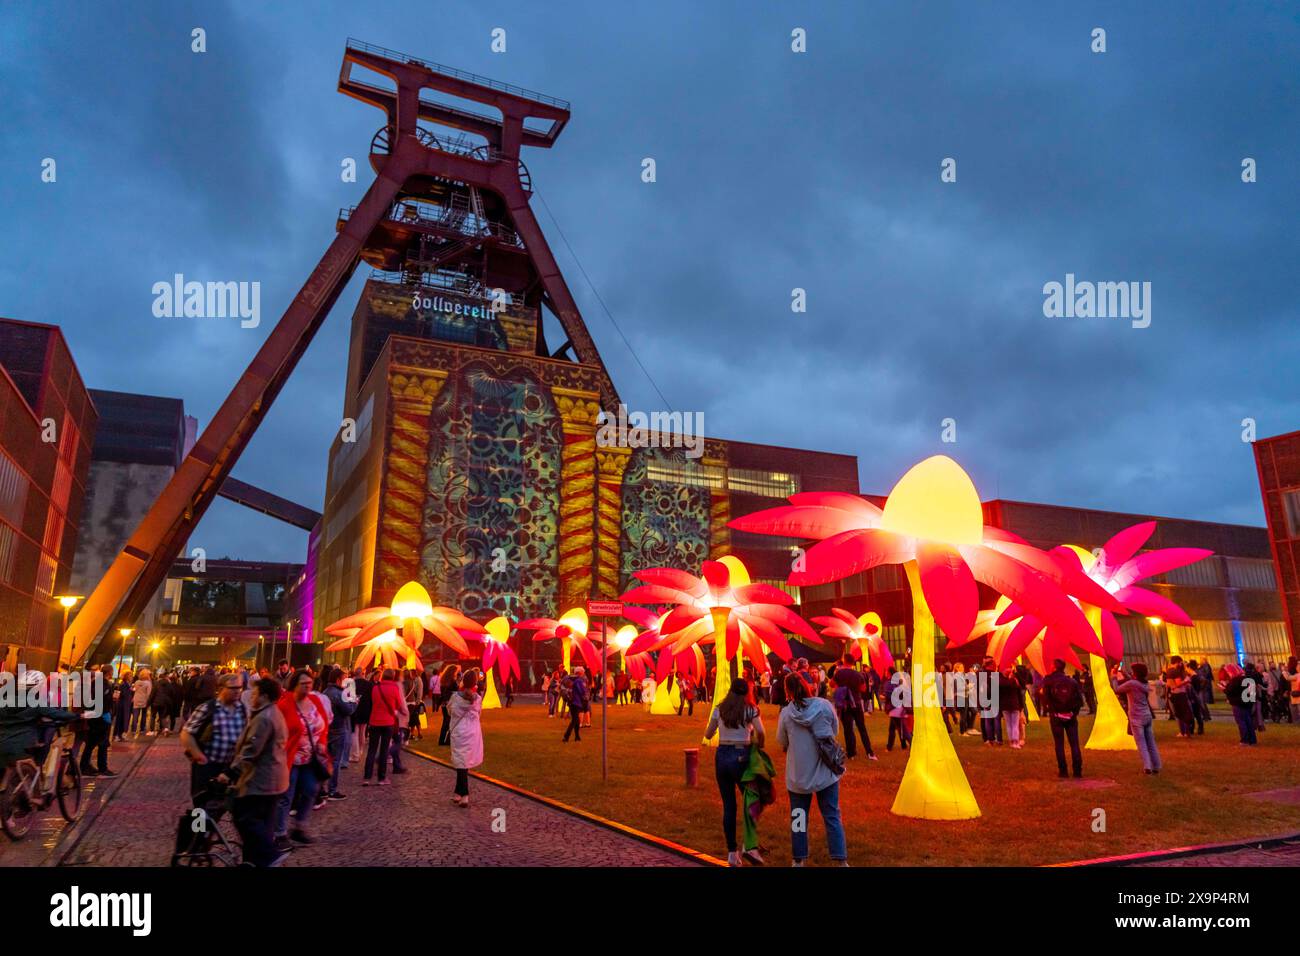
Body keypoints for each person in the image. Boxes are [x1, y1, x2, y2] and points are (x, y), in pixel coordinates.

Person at [778, 670, 847, 866]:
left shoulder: (786, 713)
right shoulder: (824, 706)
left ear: (788, 691)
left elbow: (782, 740)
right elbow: (834, 731)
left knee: (798, 818)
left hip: (798, 774)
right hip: (825, 771)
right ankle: (841, 859)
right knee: (832, 815)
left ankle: (798, 859)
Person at [227, 678, 289, 867]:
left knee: (244, 816)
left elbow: (251, 750)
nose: (251, 697)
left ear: (264, 696)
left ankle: (269, 854)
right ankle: (254, 861)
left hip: (262, 779)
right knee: (264, 821)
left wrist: (230, 773)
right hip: (275, 779)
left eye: (254, 694)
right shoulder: (272, 713)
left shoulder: (264, 718)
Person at [704, 678, 765, 867]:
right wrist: (759, 745)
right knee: (752, 800)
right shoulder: (750, 709)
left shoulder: (720, 709)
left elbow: (708, 734)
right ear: (747, 692)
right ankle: (749, 845)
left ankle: (732, 852)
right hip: (742, 755)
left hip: (722, 756)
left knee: (729, 806)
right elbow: (761, 731)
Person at [272, 670, 330, 850]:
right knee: (286, 796)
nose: (307, 686)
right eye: (303, 683)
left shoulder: (315, 701)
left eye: (309, 683)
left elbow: (323, 725)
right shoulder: (284, 705)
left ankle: (299, 826)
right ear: (294, 685)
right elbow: (278, 731)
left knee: (311, 789)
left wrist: (322, 743)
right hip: (290, 758)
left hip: (310, 758)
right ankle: (279, 833)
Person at [180, 672, 249, 802]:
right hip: (208, 767)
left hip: (230, 768)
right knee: (203, 804)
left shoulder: (242, 709)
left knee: (228, 803)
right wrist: (198, 755)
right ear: (221, 688)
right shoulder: (207, 708)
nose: (237, 691)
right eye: (233, 688)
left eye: (239, 688)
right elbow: (186, 733)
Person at [1113, 663, 1161, 774]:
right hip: (1147, 716)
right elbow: (1133, 681)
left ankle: (1147, 766)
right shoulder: (1144, 684)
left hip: (1136, 717)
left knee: (1141, 743)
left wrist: (1114, 677)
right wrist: (1125, 674)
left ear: (1135, 673)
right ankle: (1156, 765)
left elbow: (1117, 689)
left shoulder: (1132, 684)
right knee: (1151, 743)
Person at [363, 668, 407, 785]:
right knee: (383, 750)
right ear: (392, 676)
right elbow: (398, 704)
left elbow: (373, 702)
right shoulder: (394, 688)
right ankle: (381, 778)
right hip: (388, 722)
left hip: (374, 721)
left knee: (371, 750)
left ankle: (367, 777)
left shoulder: (375, 688)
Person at [1041, 658, 1084, 778]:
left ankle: (1063, 771)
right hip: (1070, 716)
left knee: (1059, 744)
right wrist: (1073, 713)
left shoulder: (1048, 680)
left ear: (1054, 667)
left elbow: (1045, 699)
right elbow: (1079, 700)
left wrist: (1051, 710)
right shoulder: (1072, 682)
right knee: (1074, 744)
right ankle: (1077, 771)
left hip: (1056, 717)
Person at [449, 669, 484, 807]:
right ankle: (458, 792)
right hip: (472, 733)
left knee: (461, 763)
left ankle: (464, 794)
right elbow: (478, 714)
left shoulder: (455, 698)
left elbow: (450, 711)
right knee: (463, 763)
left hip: (459, 732)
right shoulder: (478, 699)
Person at [321, 666, 355, 801]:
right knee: (335, 761)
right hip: (338, 729)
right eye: (343, 679)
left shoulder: (325, 692)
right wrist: (354, 702)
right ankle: (332, 790)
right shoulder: (339, 694)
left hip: (327, 729)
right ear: (337, 680)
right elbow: (348, 710)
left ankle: (322, 789)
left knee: (326, 760)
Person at [831, 657, 875, 760]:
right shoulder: (857, 674)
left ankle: (851, 753)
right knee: (862, 728)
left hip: (845, 704)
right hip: (856, 703)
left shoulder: (839, 673)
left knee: (848, 729)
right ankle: (869, 752)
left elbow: (832, 684)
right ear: (853, 663)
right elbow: (863, 688)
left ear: (844, 661)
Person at [1224, 663, 1259, 746]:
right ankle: (1252, 740)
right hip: (1248, 703)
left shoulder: (1235, 680)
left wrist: (1225, 687)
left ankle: (1245, 740)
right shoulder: (1248, 679)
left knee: (1241, 722)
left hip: (1238, 704)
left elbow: (1229, 691)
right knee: (1248, 721)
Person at [885, 667, 910, 751]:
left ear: (889, 673)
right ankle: (902, 745)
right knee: (894, 728)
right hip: (898, 708)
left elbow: (891, 695)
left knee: (901, 728)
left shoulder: (891, 683)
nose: (885, 673)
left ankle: (911, 743)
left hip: (895, 709)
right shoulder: (899, 682)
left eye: (886, 672)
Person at [999, 665, 1024, 749]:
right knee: (1015, 724)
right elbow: (1020, 695)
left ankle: (1011, 741)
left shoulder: (1001, 682)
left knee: (1009, 724)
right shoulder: (1015, 682)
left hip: (1005, 706)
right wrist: (1021, 706)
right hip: (1014, 705)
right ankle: (1015, 741)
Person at [563, 666, 588, 742]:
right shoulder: (579, 681)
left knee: (576, 720)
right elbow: (582, 691)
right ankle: (566, 736)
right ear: (580, 673)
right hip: (576, 702)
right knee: (574, 720)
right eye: (583, 672)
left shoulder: (571, 679)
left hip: (571, 701)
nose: (583, 674)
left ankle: (577, 737)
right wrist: (585, 692)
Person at [437, 664, 460, 745]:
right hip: (450, 703)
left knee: (446, 721)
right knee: (450, 722)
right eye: (456, 671)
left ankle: (442, 740)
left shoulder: (443, 680)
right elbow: (456, 691)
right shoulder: (452, 681)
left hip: (444, 703)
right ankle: (446, 741)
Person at [130, 668, 153, 737]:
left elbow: (134, 690)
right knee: (143, 715)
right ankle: (142, 729)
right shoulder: (148, 683)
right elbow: (149, 693)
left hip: (136, 700)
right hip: (144, 700)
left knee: (135, 716)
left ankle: (133, 730)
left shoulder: (137, 682)